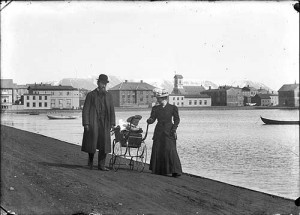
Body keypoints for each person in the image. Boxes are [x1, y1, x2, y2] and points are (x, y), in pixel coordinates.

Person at [81, 74, 116, 171]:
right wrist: (86, 123)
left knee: (104, 144)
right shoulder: (91, 95)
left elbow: (112, 110)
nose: (104, 85)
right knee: (92, 143)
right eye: (102, 83)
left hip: (105, 123)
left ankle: (101, 165)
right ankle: (90, 163)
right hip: (93, 122)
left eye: (105, 84)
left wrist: (112, 123)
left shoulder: (109, 96)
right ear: (98, 83)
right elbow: (86, 110)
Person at [147, 88, 182, 177]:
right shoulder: (155, 108)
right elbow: (153, 119)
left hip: (169, 130)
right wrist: (149, 120)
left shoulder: (172, 108)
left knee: (170, 150)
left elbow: (177, 119)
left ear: (164, 98)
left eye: (159, 98)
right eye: (157, 98)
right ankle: (159, 170)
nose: (157, 99)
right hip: (159, 131)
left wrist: (174, 129)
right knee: (158, 149)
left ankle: (175, 171)